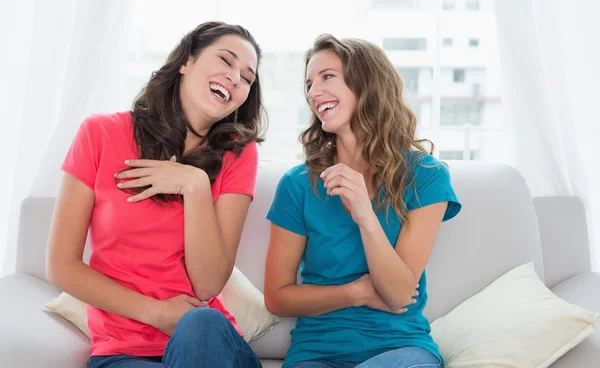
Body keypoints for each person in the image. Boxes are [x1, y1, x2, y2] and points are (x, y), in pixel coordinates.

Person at [46, 21, 266, 368]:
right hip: (123, 352)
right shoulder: (100, 133)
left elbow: (207, 285)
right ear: (186, 62)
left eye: (247, 77)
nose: (236, 77)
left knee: (201, 322)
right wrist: (156, 312)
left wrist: (194, 187)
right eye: (226, 60)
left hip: (209, 348)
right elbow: (61, 266)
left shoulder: (238, 155)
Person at [264, 34, 462, 368]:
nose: (313, 93)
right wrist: (357, 292)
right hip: (317, 354)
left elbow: (399, 294)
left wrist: (365, 216)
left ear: (367, 84)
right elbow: (277, 297)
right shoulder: (298, 185)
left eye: (327, 77)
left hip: (400, 350)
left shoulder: (426, 176)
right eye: (309, 84)